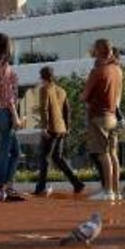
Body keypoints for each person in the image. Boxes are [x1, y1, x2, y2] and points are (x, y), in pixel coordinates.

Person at [34, 65, 86, 196]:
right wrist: (67, 127)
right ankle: (77, 183)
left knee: (44, 158)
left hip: (51, 128)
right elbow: (67, 110)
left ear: (42, 77)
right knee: (58, 158)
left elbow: (44, 109)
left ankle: (40, 188)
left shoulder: (44, 89)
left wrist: (44, 127)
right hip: (61, 128)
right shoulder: (61, 90)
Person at [82, 38, 123, 201]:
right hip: (113, 116)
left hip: (98, 116)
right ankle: (116, 190)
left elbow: (84, 96)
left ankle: (107, 191)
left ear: (98, 51)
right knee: (113, 155)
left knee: (103, 154)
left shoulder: (97, 71)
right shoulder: (118, 70)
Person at [0, 32, 26, 202]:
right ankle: (3, 188)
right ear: (7, 47)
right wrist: (16, 117)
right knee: (8, 152)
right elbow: (9, 96)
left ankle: (5, 187)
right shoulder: (3, 66)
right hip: (5, 113)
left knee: (14, 152)